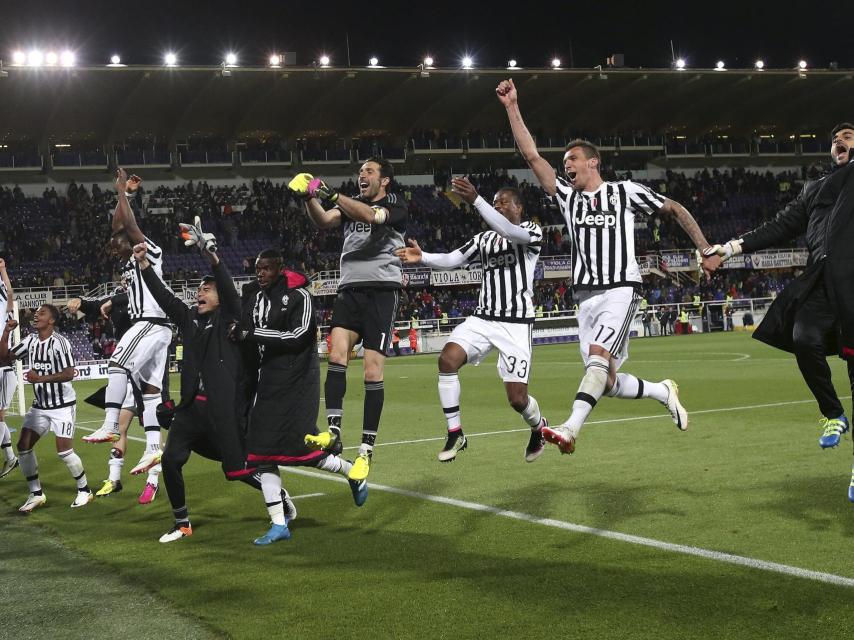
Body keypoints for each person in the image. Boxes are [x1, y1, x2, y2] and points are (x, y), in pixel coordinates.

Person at [496, 78, 718, 455]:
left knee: (598, 358)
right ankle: (663, 391)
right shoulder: (566, 197)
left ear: (593, 162)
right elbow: (532, 156)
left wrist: (705, 248)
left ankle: (570, 428)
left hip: (621, 288)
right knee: (607, 380)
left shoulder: (624, 191)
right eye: (564, 163)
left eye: (572, 160)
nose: (566, 166)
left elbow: (675, 208)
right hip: (585, 298)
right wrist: (512, 107)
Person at [704, 122, 854, 500]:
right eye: (835, 139)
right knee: (803, 338)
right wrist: (730, 248)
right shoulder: (815, 187)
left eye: (848, 136)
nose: (839, 141)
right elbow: (781, 225)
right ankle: (833, 414)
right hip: (821, 279)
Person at [133, 220, 275, 543]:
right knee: (171, 460)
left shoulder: (230, 319)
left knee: (235, 471)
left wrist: (211, 256)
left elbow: (229, 290)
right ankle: (182, 523)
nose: (200, 292)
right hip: (189, 411)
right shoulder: (190, 321)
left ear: (220, 298)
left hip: (221, 412)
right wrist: (144, 266)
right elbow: (166, 299)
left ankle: (277, 496)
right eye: (199, 289)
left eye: (206, 289)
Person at [396, 177, 548, 462]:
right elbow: (453, 259)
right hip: (482, 319)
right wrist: (424, 256)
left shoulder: (531, 231)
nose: (497, 206)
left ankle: (539, 427)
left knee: (517, 400)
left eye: (503, 202)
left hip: (515, 324)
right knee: (447, 360)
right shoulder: (484, 239)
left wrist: (477, 200)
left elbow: (510, 231)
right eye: (495, 203)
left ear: (518, 207)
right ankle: (456, 433)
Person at [233, 248, 367, 545]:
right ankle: (278, 524)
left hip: (297, 381)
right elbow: (246, 329)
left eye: (267, 268)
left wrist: (251, 334)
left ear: (279, 268)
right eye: (258, 269)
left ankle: (351, 471)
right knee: (261, 451)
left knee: (301, 444)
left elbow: (297, 336)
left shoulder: (299, 296)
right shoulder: (255, 296)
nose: (261, 273)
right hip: (266, 380)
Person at [289, 158, 407, 480]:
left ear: (384, 180)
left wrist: (330, 193)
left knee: (372, 371)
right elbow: (325, 220)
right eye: (360, 172)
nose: (362, 175)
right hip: (349, 290)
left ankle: (366, 451)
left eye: (369, 171)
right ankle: (334, 432)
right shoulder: (349, 205)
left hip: (382, 291)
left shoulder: (396, 205)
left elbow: (370, 216)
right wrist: (309, 198)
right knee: (337, 355)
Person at [84, 169, 172, 478]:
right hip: (157, 326)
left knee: (117, 364)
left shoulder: (149, 251)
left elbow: (128, 227)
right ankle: (153, 448)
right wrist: (126, 195)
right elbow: (118, 226)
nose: (113, 248)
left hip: (150, 320)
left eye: (115, 244)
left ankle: (110, 424)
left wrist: (122, 190)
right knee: (151, 391)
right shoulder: (129, 258)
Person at [70, 286, 166, 501]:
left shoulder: (147, 294)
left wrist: (114, 300)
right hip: (126, 371)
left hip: (148, 371)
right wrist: (80, 302)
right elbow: (94, 305)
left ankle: (152, 481)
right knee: (117, 429)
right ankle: (114, 479)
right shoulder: (116, 296)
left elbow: (143, 295)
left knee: (153, 430)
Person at [0, 306, 93, 512]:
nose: (36, 315)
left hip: (62, 406)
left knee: (64, 451)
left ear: (51, 321)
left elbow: (69, 373)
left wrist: (40, 378)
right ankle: (36, 494)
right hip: (40, 406)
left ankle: (84, 490)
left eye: (41, 313)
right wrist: (6, 332)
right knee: (23, 446)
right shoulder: (31, 341)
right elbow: (4, 357)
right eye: (36, 313)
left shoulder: (60, 342)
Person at [0, 258, 19, 477]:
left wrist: (3, 270)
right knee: (0, 418)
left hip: (4, 370)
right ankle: (10, 457)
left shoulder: (8, 313)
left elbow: (10, 292)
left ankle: (11, 458)